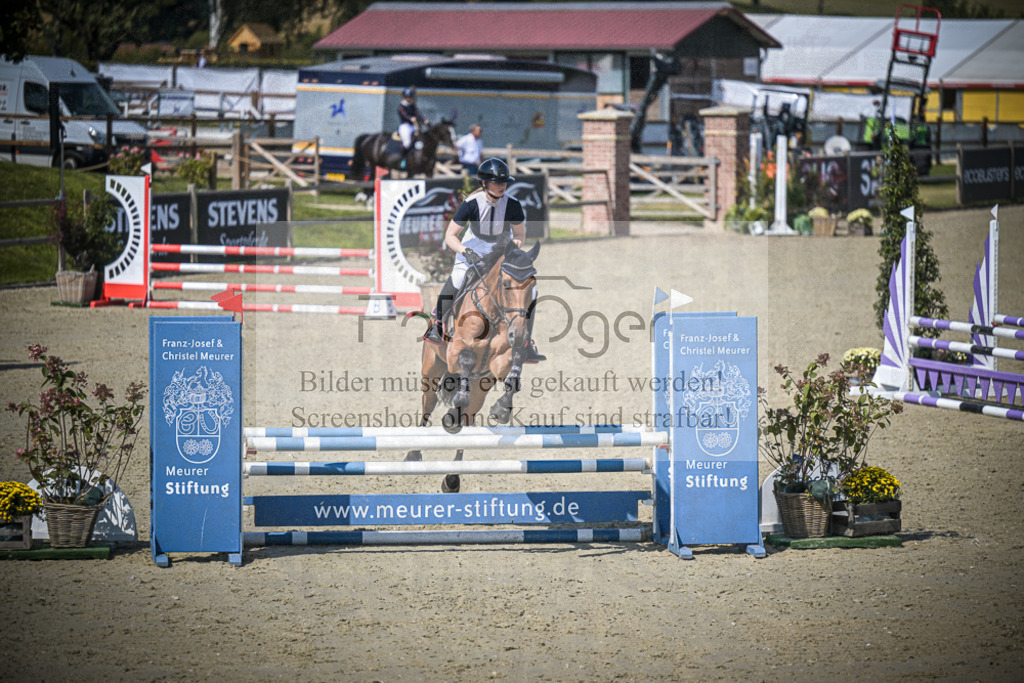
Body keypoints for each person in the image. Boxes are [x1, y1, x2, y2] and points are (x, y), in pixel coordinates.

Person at [423, 158, 545, 363]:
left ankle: (525, 342)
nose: (501, 186)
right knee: (460, 276)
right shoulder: (471, 204)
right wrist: (465, 250)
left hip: (502, 247)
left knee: (530, 290)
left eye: (504, 182)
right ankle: (437, 323)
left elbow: (519, 235)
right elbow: (450, 236)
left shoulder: (513, 204)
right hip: (473, 244)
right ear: (484, 183)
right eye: (497, 182)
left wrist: (512, 250)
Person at [397, 86, 426, 155]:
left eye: (410, 97)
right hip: (405, 126)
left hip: (413, 126)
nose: (408, 99)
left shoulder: (412, 106)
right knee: (407, 143)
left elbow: (417, 114)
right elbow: (404, 115)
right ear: (404, 97)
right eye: (407, 97)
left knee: (421, 138)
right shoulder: (401, 106)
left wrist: (424, 120)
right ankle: (403, 158)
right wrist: (410, 118)